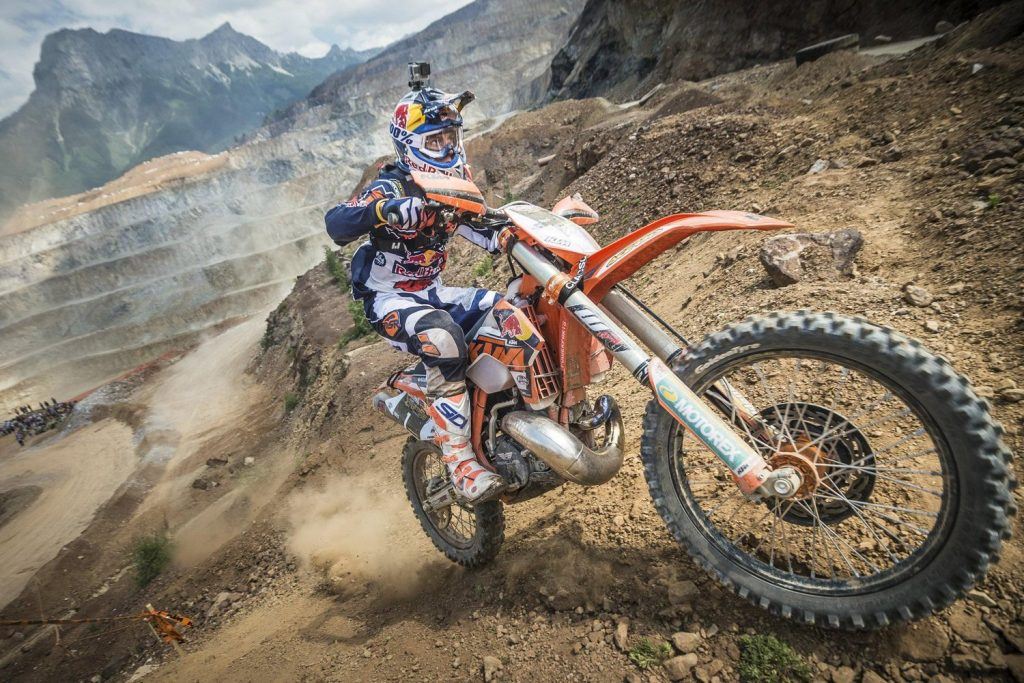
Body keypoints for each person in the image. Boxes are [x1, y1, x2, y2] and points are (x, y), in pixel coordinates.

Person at [323, 79, 504, 502]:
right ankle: (460, 465)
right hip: (387, 298)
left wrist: (521, 232)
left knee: (509, 310)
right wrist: (381, 211)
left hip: (432, 290)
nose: (446, 147)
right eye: (434, 140)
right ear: (410, 144)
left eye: (450, 137)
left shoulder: (454, 185)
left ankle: (510, 417)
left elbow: (484, 230)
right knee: (441, 337)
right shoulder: (391, 187)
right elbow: (336, 224)